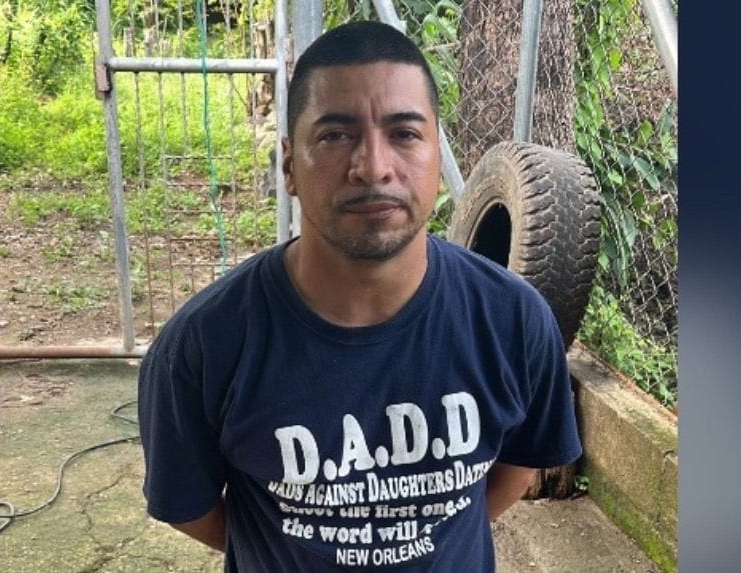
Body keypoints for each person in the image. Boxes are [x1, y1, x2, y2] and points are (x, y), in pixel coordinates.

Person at [138, 20, 582, 572]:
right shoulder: (202, 345)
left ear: (436, 157)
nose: (373, 167)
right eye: (335, 135)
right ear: (289, 166)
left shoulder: (513, 320)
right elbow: (190, 509)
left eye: (405, 133)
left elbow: (518, 466)